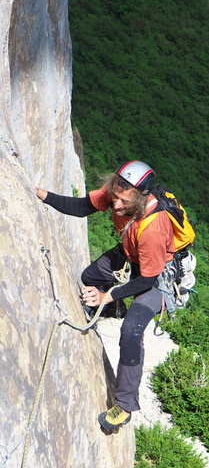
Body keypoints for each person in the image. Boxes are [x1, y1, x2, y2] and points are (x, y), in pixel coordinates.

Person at [35, 160, 176, 431]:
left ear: (142, 197)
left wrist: (106, 297)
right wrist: (42, 195)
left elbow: (146, 279)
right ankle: (114, 310)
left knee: (131, 331)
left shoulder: (153, 227)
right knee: (90, 277)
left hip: (155, 277)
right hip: (129, 255)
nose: (116, 206)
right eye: (115, 197)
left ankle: (124, 406)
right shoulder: (116, 192)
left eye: (124, 202)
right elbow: (83, 207)